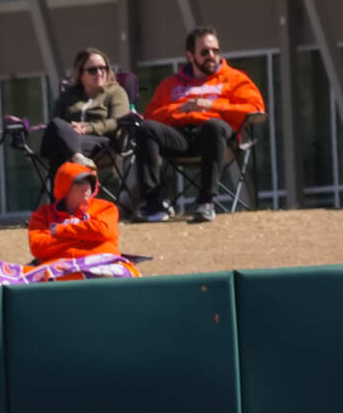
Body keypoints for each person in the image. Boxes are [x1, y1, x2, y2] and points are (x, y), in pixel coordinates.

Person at [138, 26, 263, 223]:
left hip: (218, 138)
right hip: (181, 137)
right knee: (146, 129)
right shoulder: (171, 84)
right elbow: (150, 116)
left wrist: (212, 105)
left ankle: (206, 202)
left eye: (215, 51)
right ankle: (153, 204)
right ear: (190, 56)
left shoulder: (235, 79)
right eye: (204, 52)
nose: (211, 56)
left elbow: (255, 109)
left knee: (214, 126)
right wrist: (178, 110)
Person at [26, 154, 127, 272]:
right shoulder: (43, 214)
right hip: (60, 271)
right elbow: (38, 247)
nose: (86, 187)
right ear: (64, 186)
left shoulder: (105, 207)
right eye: (79, 182)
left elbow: (103, 231)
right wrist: (86, 237)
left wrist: (60, 230)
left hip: (102, 267)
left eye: (89, 182)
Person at [40, 48, 133, 171]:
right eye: (92, 70)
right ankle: (77, 158)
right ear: (81, 74)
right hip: (71, 138)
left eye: (103, 68)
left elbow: (117, 121)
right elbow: (56, 123)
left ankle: (71, 166)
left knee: (59, 149)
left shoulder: (116, 92)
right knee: (56, 125)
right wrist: (71, 130)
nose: (99, 73)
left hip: (103, 143)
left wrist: (87, 128)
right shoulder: (69, 94)